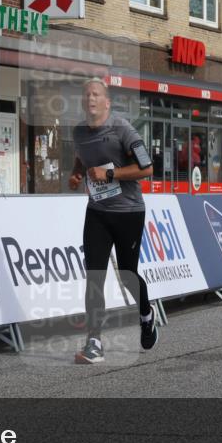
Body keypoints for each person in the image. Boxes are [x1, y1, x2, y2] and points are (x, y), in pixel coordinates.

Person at [67, 77, 156, 364]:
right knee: (94, 276)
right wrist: (77, 174)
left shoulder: (122, 129)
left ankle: (146, 315)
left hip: (128, 212)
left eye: (95, 94)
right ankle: (94, 341)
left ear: (107, 102)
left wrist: (110, 175)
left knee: (128, 276)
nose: (90, 98)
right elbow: (82, 158)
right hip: (97, 212)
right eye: (86, 95)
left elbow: (147, 168)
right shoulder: (79, 131)